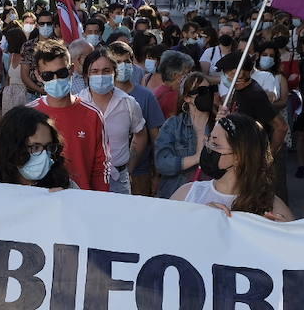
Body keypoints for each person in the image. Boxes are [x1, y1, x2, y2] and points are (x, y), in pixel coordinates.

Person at [170, 114, 294, 221]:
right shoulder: (187, 194)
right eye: (208, 140)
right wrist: (200, 216)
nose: (207, 147)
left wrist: (278, 233)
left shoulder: (271, 205)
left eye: (215, 144)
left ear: (239, 157)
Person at [29, 39, 109, 192]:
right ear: (38, 76)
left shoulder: (93, 115)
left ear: (71, 70)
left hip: (82, 202)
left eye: (61, 73)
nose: (56, 79)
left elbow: (102, 167)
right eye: (48, 75)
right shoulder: (27, 115)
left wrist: (100, 201)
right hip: (40, 202)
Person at [78, 48, 147, 194]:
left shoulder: (128, 103)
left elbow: (140, 134)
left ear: (114, 72)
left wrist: (130, 167)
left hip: (118, 179)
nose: (100, 75)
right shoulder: (77, 104)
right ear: (86, 75)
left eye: (106, 70)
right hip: (84, 180)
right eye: (95, 71)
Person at [110, 42, 166, 196]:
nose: (123, 66)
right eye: (118, 62)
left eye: (127, 61)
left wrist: (157, 175)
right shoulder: (102, 96)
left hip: (140, 173)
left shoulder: (146, 96)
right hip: (108, 174)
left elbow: (156, 139)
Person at [155, 72, 218, 199]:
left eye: (210, 89)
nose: (208, 94)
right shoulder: (173, 125)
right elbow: (162, 163)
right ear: (187, 98)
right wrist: (196, 158)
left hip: (207, 198)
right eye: (201, 91)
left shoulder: (218, 126)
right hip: (176, 195)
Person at [0, 106, 74, 190]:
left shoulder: (65, 185)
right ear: (11, 148)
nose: (44, 155)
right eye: (35, 147)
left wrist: (64, 201)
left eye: (49, 147)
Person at [0, 26, 35, 110]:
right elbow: (8, 78)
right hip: (9, 96)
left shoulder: (27, 56)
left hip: (24, 95)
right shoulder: (11, 56)